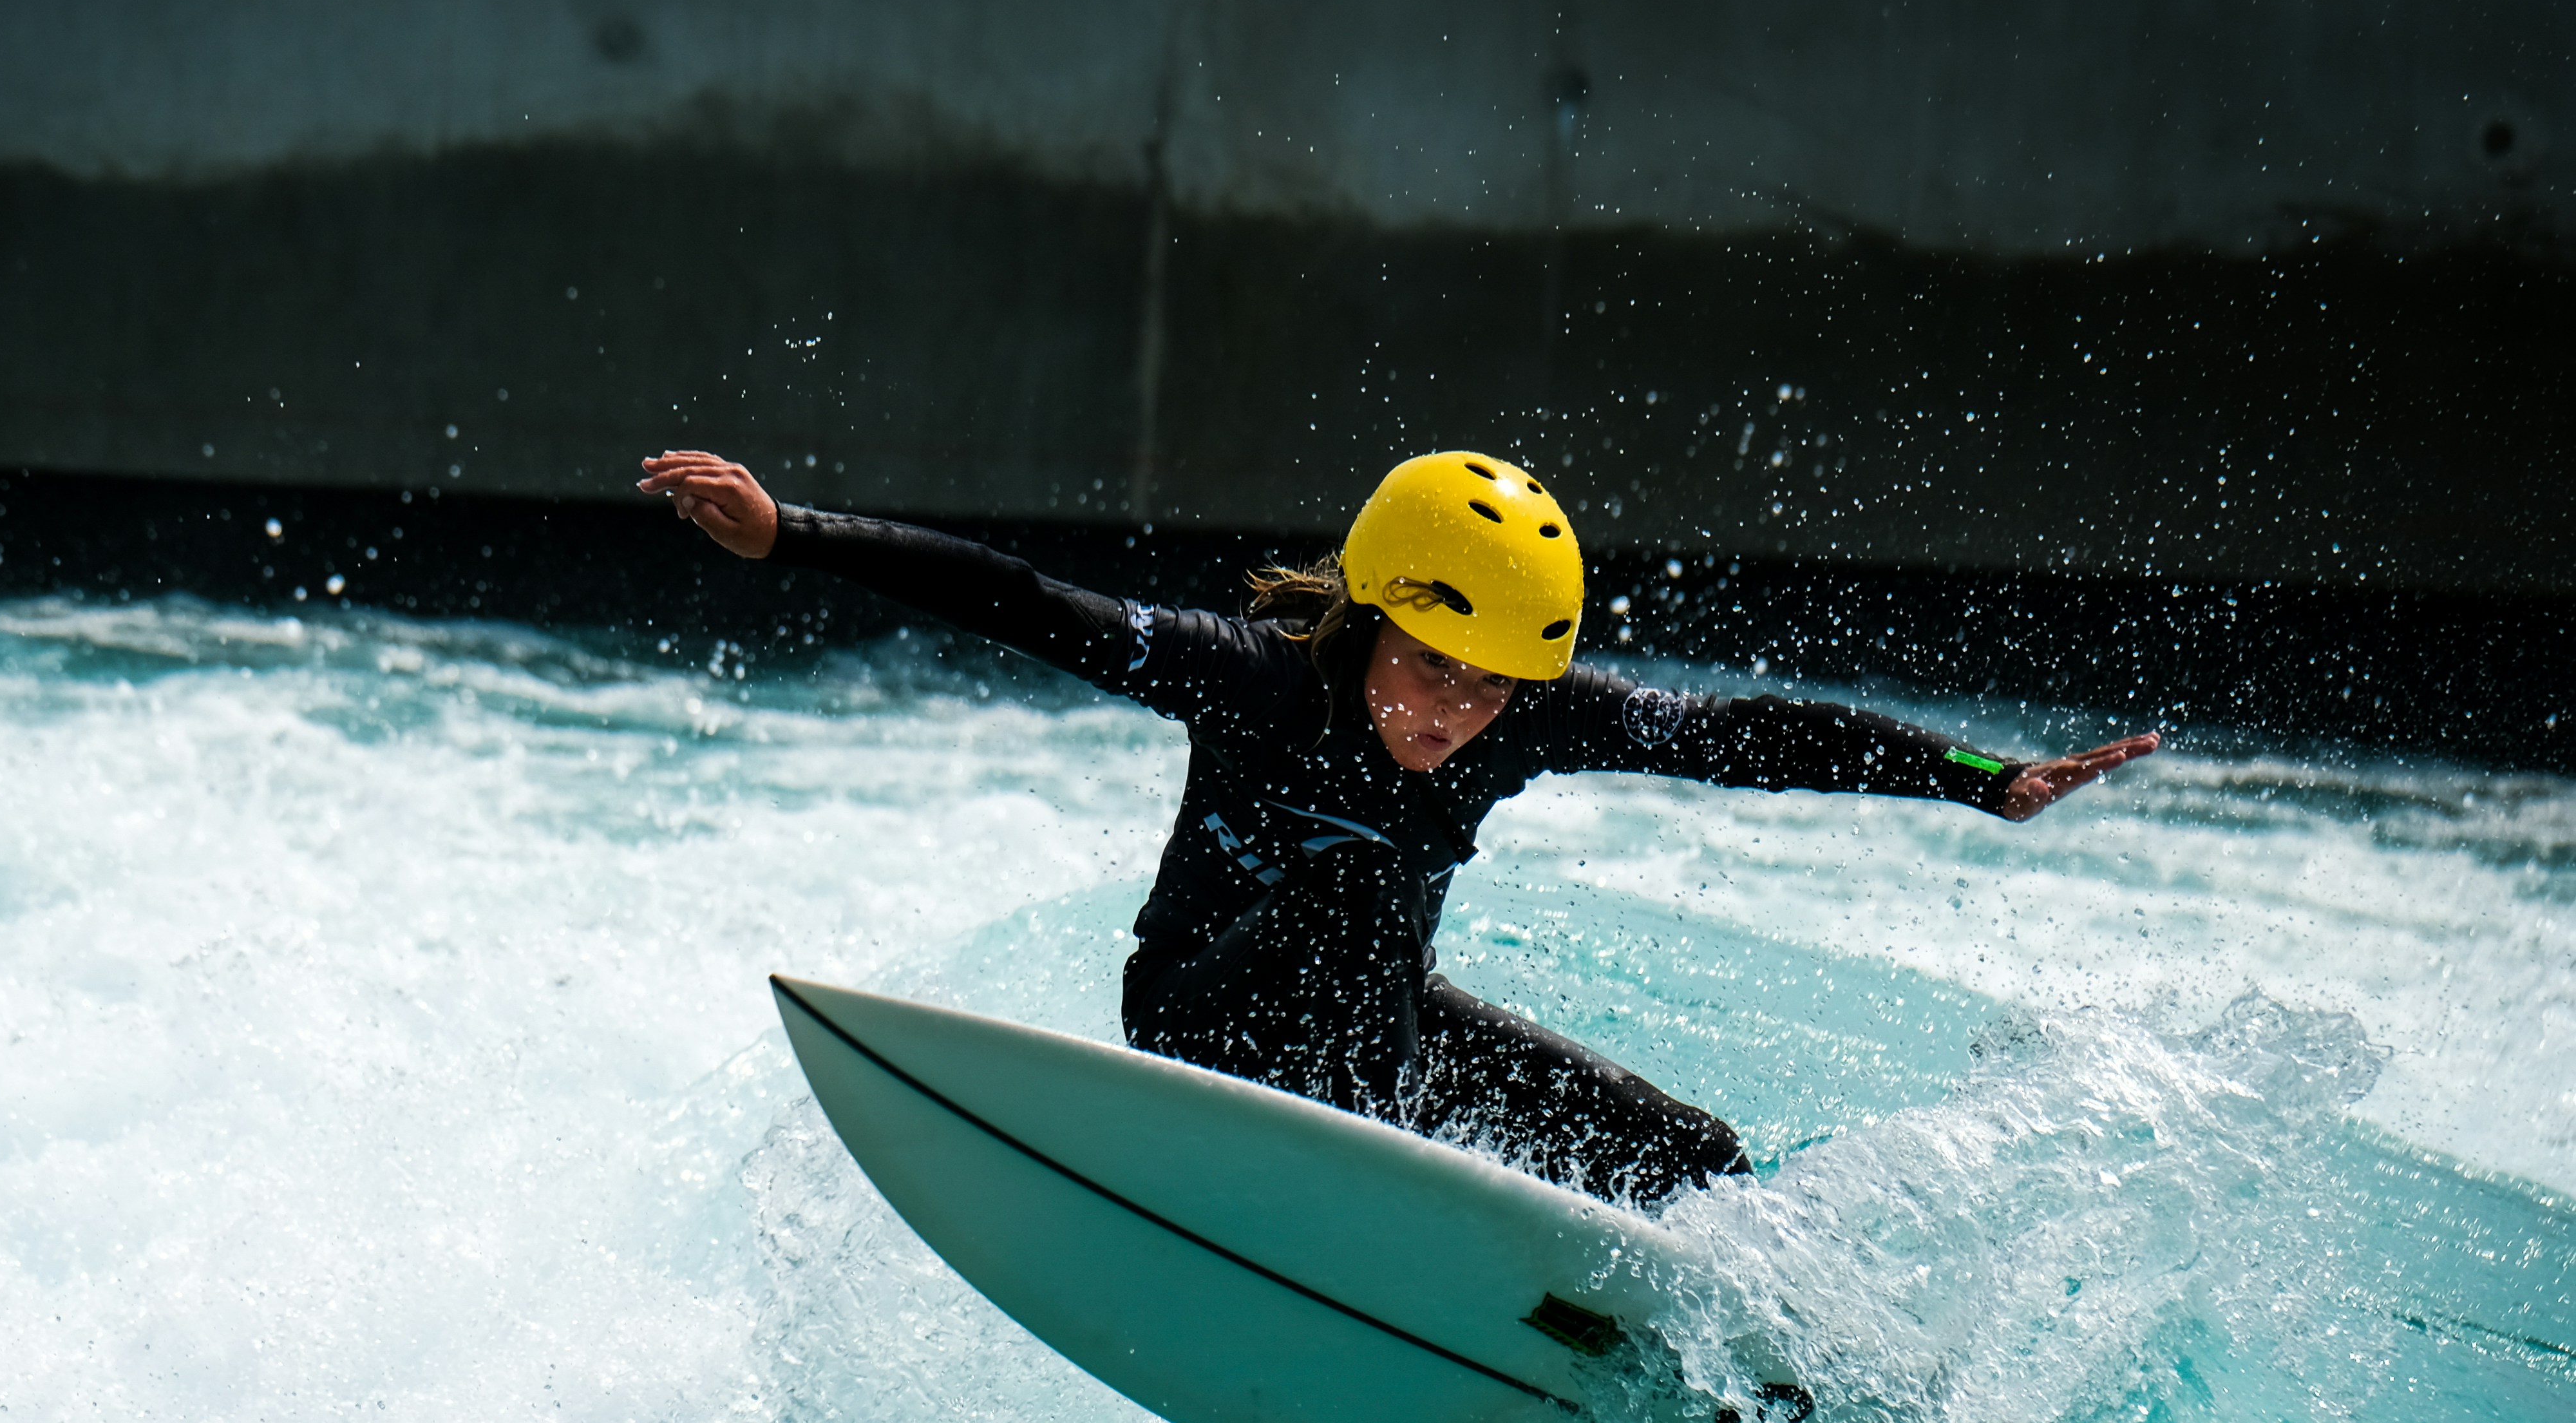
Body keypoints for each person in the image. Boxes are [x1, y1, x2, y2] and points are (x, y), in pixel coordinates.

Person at [637, 446, 2158, 1207]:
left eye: (1495, 692)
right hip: (1210, 1029)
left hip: (1377, 1046)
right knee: (1364, 889)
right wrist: (795, 534)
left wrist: (1977, 779)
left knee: (1694, 1161)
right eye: (1434, 668)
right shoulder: (1249, 680)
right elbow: (1029, 603)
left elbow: (1742, 735)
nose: (1456, 714)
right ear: (1370, 616)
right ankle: (1367, 1159)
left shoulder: (1522, 717)